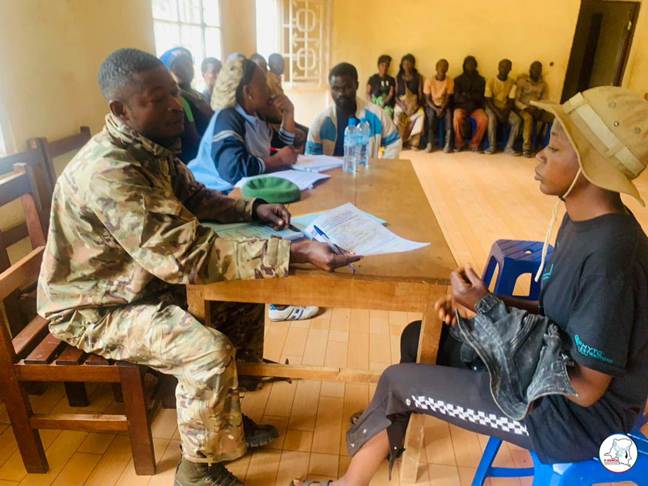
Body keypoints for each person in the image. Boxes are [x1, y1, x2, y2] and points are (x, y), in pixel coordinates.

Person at [291, 86, 648, 486]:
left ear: (591, 167)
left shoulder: (612, 258)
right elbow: (557, 318)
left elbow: (585, 388)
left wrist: (488, 310)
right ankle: (387, 433)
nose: (540, 155)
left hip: (568, 419)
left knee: (398, 381)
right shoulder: (581, 220)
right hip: (542, 380)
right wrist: (482, 303)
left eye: (554, 147)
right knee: (418, 338)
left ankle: (350, 480)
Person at [36, 48, 360, 486]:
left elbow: (195, 197)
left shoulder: (148, 148)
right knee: (206, 352)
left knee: (241, 300)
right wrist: (294, 251)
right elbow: (185, 258)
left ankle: (225, 417)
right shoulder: (110, 173)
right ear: (121, 110)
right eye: (158, 98)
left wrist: (251, 208)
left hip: (137, 281)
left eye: (173, 93)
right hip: (94, 307)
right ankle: (197, 472)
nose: (176, 105)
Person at [188, 58, 297, 194]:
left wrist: (288, 113)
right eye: (263, 85)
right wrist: (278, 160)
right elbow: (234, 170)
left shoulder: (256, 116)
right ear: (248, 92)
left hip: (239, 188)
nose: (269, 90)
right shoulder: (227, 118)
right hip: (211, 191)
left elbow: (284, 149)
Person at [306, 62, 401, 158]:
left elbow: (394, 143)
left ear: (356, 85)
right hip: (331, 169)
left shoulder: (376, 116)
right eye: (335, 88)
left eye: (347, 87)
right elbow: (311, 159)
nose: (341, 93)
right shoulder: (321, 122)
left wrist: (381, 166)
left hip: (367, 168)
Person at [160, 47, 214, 162]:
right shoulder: (180, 99)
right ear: (168, 72)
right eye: (177, 66)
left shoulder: (197, 95)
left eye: (188, 64)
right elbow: (193, 138)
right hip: (196, 158)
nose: (185, 69)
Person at [515, 61, 553, 157]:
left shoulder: (543, 85)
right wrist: (526, 108)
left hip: (537, 109)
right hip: (523, 109)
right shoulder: (522, 82)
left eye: (538, 70)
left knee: (553, 118)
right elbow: (516, 100)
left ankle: (547, 146)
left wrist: (539, 109)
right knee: (528, 119)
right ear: (530, 70)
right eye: (534, 69)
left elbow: (544, 100)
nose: (536, 71)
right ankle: (526, 148)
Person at [484, 58, 521, 155]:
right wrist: (499, 114)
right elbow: (488, 100)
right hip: (492, 107)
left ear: (510, 69)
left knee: (517, 120)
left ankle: (509, 147)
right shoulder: (491, 81)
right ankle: (492, 146)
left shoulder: (512, 82)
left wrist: (505, 113)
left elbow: (511, 100)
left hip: (505, 108)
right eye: (503, 67)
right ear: (498, 67)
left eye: (507, 67)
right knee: (492, 118)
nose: (505, 69)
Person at [453, 55, 488, 152]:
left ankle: (474, 143)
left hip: (475, 107)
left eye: (472, 64)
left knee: (484, 119)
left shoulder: (481, 80)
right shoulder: (458, 80)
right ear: (464, 65)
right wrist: (471, 96)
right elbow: (456, 97)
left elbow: (481, 96)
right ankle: (459, 143)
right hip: (461, 107)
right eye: (468, 64)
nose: (470, 66)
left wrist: (466, 95)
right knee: (457, 117)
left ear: (475, 66)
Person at [393, 54, 425, 150]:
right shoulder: (398, 77)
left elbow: (420, 94)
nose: (406, 66)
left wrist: (416, 107)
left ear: (413, 64)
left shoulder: (418, 77)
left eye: (409, 63)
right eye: (404, 63)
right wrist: (402, 105)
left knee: (421, 115)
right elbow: (395, 96)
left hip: (414, 104)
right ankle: (402, 140)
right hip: (401, 104)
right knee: (401, 115)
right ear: (402, 65)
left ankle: (414, 142)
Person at [423, 58, 453, 153]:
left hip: (444, 105)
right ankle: (430, 143)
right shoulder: (429, 80)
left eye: (445, 66)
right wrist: (436, 109)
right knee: (431, 117)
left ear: (447, 69)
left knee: (449, 118)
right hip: (432, 105)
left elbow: (448, 98)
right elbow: (427, 99)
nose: (442, 68)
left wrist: (442, 108)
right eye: (440, 66)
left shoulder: (449, 80)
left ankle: (448, 144)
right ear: (436, 68)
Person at [366, 54, 396, 119]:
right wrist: (373, 104)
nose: (384, 68)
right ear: (378, 65)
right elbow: (368, 93)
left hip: (387, 105)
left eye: (387, 66)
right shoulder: (372, 78)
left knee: (386, 117)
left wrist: (383, 104)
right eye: (382, 65)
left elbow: (391, 94)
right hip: (374, 103)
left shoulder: (391, 79)